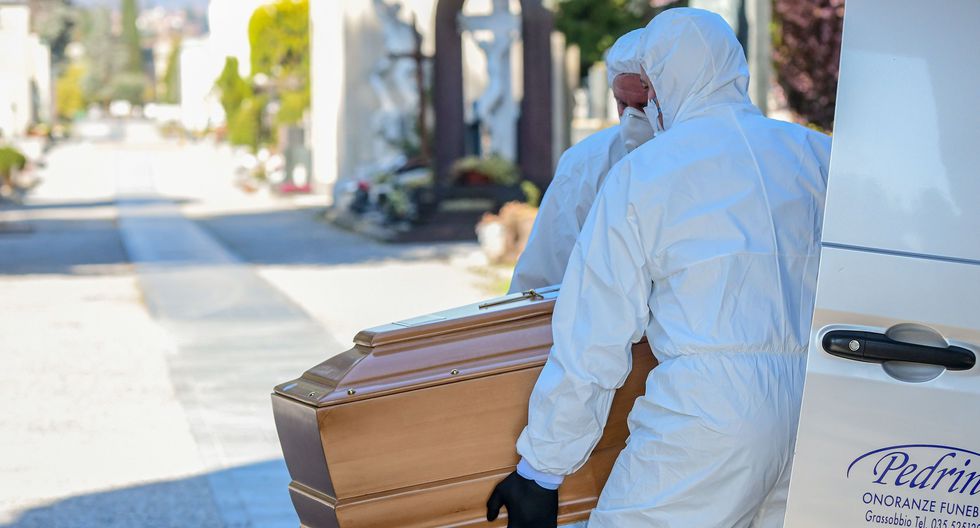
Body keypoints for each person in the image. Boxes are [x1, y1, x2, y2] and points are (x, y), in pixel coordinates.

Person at [487, 8, 832, 527]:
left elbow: (594, 335)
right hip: (816, 405)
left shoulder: (646, 172)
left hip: (709, 413)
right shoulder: (816, 154)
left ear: (665, 80)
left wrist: (542, 468)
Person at [507, 29, 651, 294]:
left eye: (643, 105)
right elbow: (545, 271)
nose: (632, 118)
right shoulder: (586, 162)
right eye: (622, 104)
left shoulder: (710, 157)